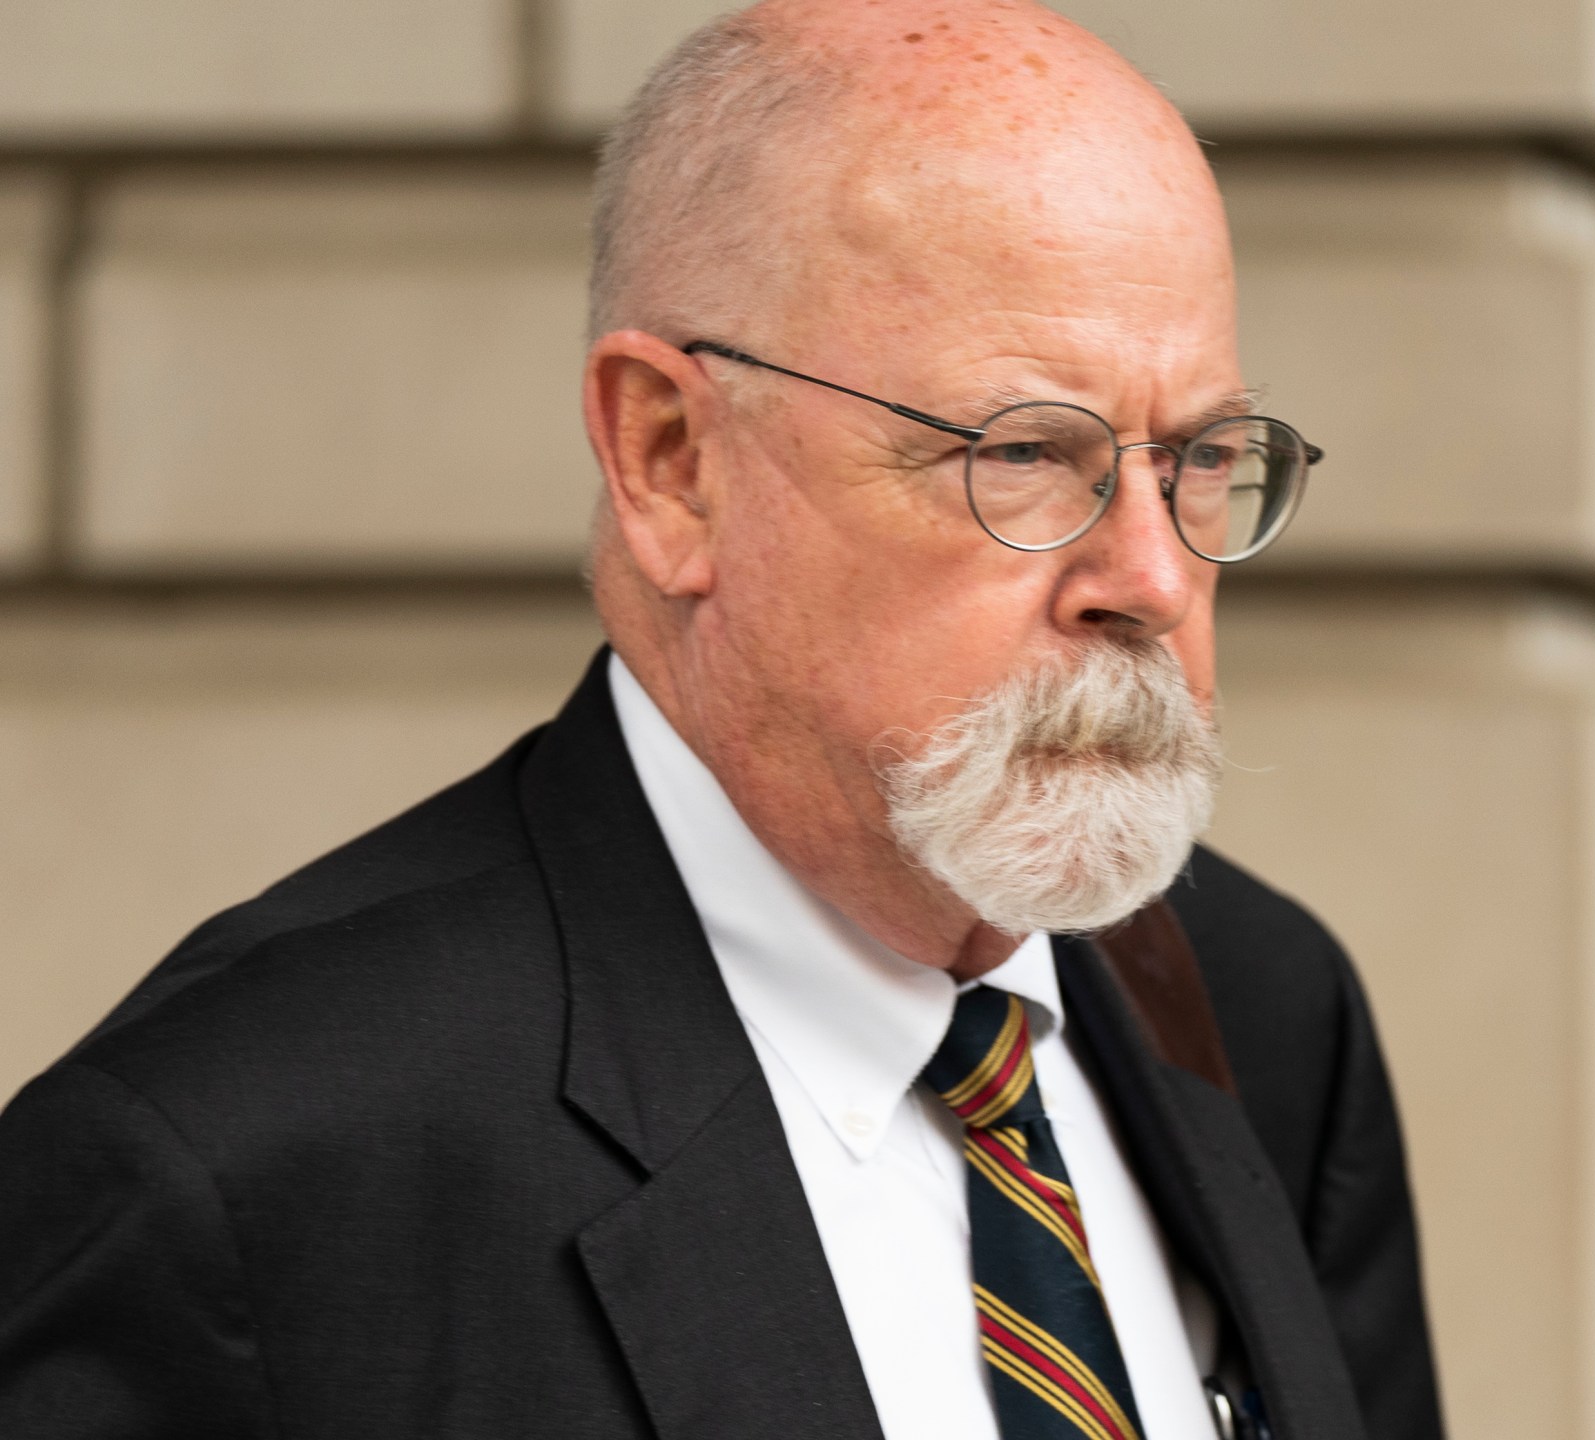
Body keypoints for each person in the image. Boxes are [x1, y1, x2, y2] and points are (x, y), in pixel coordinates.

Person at [0, 4, 1441, 1438]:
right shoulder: (245, 1164)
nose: (1148, 577)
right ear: (671, 461)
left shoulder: (1260, 1009)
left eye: (1198, 459)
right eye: (1024, 454)